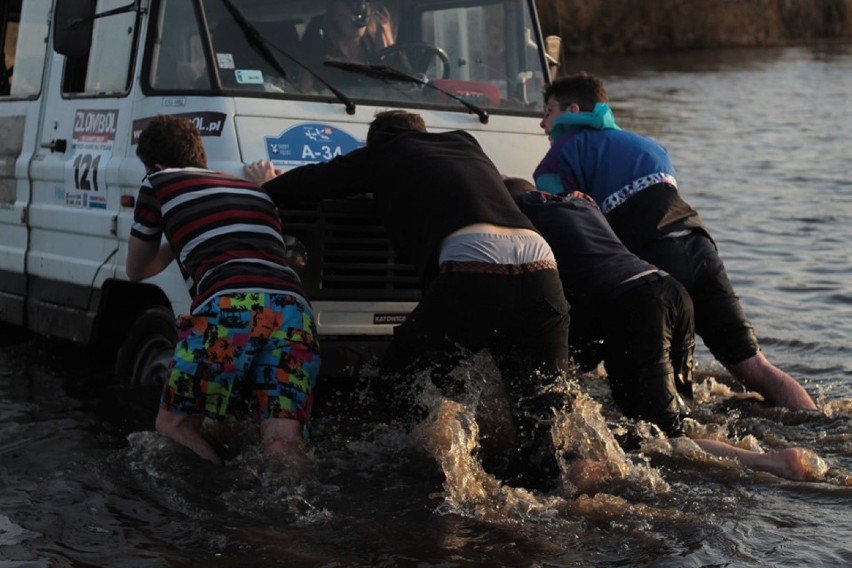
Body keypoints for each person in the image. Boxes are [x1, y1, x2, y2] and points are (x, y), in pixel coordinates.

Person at [245, 110, 571, 492]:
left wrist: (268, 183)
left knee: (401, 374)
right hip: (543, 266)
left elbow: (313, 182)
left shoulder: (385, 152)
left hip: (476, 267)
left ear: (378, 140)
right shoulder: (466, 143)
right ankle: (560, 497)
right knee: (538, 408)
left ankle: (456, 470)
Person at [533, 72, 817, 413]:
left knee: (590, 370)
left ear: (572, 110)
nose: (542, 124)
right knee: (754, 366)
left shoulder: (558, 156)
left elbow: (565, 231)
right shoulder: (651, 146)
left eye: (548, 112)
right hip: (700, 247)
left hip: (656, 264)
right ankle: (815, 422)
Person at [504, 178, 817, 483]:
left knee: (660, 437)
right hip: (670, 290)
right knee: (681, 418)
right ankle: (802, 426)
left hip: (637, 306)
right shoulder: (579, 204)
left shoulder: (521, 220)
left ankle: (771, 462)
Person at [126, 115, 321, 474]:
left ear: (153, 164)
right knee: (283, 443)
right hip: (293, 309)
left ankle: (216, 505)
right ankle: (303, 516)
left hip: (231, 307)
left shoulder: (158, 182)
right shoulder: (252, 189)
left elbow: (137, 270)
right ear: (201, 157)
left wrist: (177, 236)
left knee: (175, 426)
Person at [298, 0, 395, 91]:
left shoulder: (376, 47)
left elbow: (403, 86)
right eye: (350, 3)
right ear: (334, 13)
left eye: (363, 4)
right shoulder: (321, 58)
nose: (359, 11)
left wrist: (387, 52)